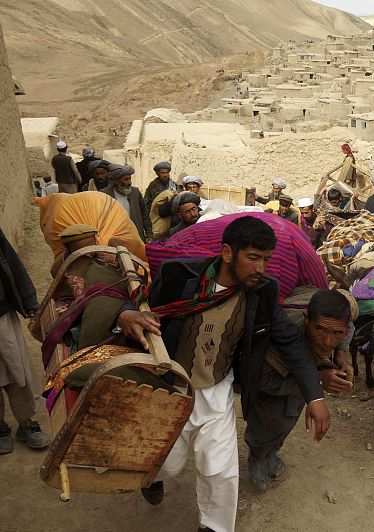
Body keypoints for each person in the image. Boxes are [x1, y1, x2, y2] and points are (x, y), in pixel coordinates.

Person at [116, 216, 331, 532]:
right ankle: (152, 479)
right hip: (171, 388)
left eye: (267, 260)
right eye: (253, 258)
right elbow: (140, 302)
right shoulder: (181, 275)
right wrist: (124, 314)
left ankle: (214, 526)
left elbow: (291, 344)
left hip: (216, 390)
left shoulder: (263, 293)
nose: (261, 268)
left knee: (220, 472)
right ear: (228, 253)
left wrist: (315, 395)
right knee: (169, 463)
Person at [245, 289, 354, 488]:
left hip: (301, 378)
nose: (328, 341)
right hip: (273, 378)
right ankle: (257, 458)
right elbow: (263, 380)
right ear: (306, 320)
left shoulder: (343, 318)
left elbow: (350, 325)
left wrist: (341, 352)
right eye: (319, 330)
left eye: (337, 333)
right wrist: (318, 381)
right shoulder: (281, 336)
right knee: (268, 421)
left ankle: (272, 452)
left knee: (289, 416)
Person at [0, 229, 50, 453]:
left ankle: (26, 423)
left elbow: (11, 261)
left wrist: (29, 300)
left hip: (1, 315)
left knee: (16, 368)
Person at [100, 164, 152, 243]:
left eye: (130, 178)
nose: (130, 182)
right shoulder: (104, 194)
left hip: (135, 235)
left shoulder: (135, 192)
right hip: (114, 236)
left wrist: (149, 234)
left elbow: (144, 214)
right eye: (126, 179)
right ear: (117, 181)